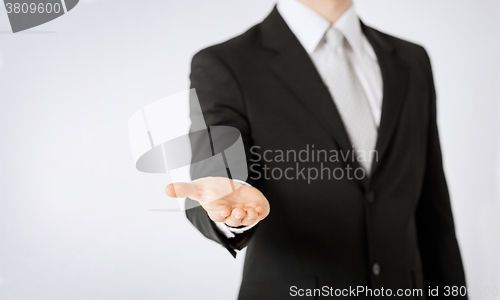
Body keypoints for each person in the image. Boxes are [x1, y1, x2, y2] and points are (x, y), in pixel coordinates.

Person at [165, 0, 468, 298]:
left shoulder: (411, 60)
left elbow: (433, 207)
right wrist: (227, 208)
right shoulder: (226, 63)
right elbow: (216, 177)